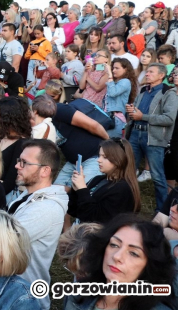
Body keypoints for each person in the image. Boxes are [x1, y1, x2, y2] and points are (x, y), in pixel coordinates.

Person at [64, 214, 176, 310]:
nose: (117, 256)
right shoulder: (78, 292)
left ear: (150, 266)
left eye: (134, 253)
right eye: (114, 245)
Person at [7, 139, 68, 310]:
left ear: (45, 171)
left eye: (24, 163)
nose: (17, 166)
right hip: (13, 292)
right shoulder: (28, 196)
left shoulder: (46, 209)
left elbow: (3, 240)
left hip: (24, 299)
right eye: (19, 161)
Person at [126, 63, 178, 209]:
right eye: (147, 71)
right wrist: (130, 111)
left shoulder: (169, 93)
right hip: (135, 134)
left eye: (151, 72)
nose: (147, 74)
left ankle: (162, 211)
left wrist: (144, 116)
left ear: (161, 75)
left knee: (158, 177)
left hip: (154, 137)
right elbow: (135, 113)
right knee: (128, 172)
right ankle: (127, 205)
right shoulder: (143, 91)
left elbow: (169, 119)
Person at [68, 137, 140, 225]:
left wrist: (82, 189)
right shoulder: (97, 179)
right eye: (99, 155)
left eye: (105, 157)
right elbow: (73, 210)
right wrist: (76, 189)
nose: (98, 160)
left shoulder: (123, 189)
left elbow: (95, 220)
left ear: (119, 159)